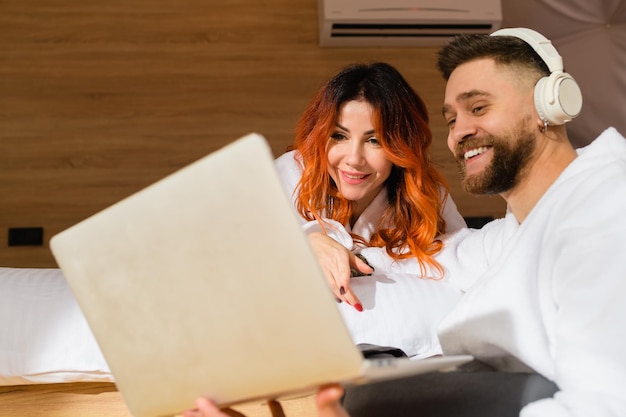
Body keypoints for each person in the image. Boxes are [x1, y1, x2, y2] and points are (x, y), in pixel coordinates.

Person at [186, 27, 626, 417]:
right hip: (477, 384)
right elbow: (439, 255)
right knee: (370, 400)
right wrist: (309, 240)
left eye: (479, 107)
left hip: (527, 393)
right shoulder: (516, 231)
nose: (459, 131)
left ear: (552, 103)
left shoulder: (603, 211)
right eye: (452, 118)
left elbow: (600, 403)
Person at [274, 62, 466, 310]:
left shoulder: (426, 194)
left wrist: (369, 261)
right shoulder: (291, 173)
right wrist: (304, 242)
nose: (354, 159)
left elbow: (463, 267)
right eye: (339, 136)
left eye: (374, 140)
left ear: (400, 146)